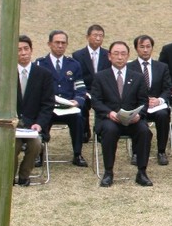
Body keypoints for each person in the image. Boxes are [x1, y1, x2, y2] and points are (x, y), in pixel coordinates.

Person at [90, 41, 153, 187]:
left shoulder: (137, 77)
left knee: (144, 131)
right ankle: (108, 172)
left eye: (123, 54)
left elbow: (143, 101)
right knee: (110, 131)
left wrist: (138, 115)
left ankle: (142, 172)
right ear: (109, 56)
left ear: (128, 56)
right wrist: (109, 113)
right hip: (109, 119)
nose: (120, 57)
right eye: (116, 54)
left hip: (132, 120)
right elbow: (96, 101)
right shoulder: (100, 76)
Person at [36, 30, 89, 167]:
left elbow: (81, 88)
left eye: (63, 43)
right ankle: (38, 154)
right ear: (49, 44)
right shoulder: (40, 64)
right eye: (57, 42)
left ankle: (77, 154)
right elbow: (35, 90)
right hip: (48, 108)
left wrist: (77, 101)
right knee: (40, 119)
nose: (60, 46)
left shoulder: (74, 64)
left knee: (79, 118)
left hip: (68, 108)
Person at [12, 35, 55, 187]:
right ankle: (9, 176)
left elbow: (47, 104)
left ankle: (24, 175)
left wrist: (39, 124)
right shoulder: (6, 74)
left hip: (33, 125)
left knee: (36, 144)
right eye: (18, 50)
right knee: (13, 145)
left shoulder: (43, 75)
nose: (23, 53)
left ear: (31, 50)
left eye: (26, 49)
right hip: (12, 125)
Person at [128, 35, 172, 165]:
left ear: (152, 48)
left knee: (163, 115)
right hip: (138, 105)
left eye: (148, 47)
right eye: (142, 47)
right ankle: (136, 152)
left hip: (156, 105)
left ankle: (161, 151)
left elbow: (168, 88)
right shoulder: (130, 67)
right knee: (136, 118)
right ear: (136, 48)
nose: (145, 50)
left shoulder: (162, 67)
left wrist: (159, 100)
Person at [71, 24, 110, 143]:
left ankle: (100, 130)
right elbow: (77, 76)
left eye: (101, 36)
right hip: (85, 89)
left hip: (103, 90)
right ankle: (84, 130)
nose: (98, 38)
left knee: (105, 105)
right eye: (95, 35)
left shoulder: (108, 54)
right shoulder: (77, 55)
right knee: (82, 104)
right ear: (87, 37)